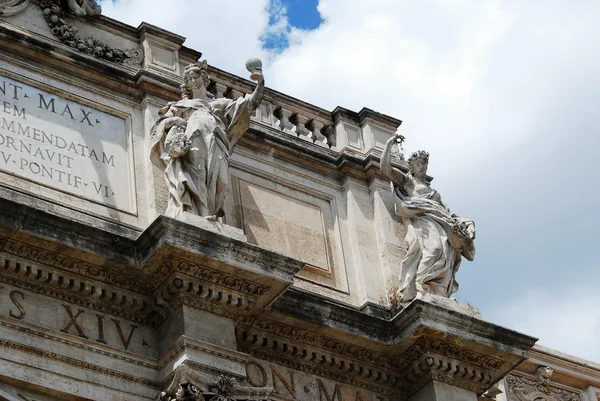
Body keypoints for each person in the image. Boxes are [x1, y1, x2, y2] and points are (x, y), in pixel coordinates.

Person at [150, 60, 264, 220]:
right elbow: (161, 124)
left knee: (221, 181)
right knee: (198, 174)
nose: (193, 81)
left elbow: (250, 105)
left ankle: (210, 211)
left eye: (196, 77)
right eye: (189, 79)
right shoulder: (181, 105)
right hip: (193, 138)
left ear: (204, 78)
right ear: (187, 84)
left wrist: (260, 83)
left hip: (216, 141)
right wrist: (176, 121)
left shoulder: (220, 103)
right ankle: (202, 215)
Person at [380, 133, 476, 306]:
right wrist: (388, 144)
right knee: (433, 250)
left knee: (444, 254)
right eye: (419, 163)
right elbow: (385, 169)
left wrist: (466, 223)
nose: (423, 166)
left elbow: (449, 212)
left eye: (425, 163)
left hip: (441, 222)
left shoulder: (433, 191)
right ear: (412, 166)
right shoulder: (408, 181)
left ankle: (437, 290)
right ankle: (421, 288)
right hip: (424, 221)